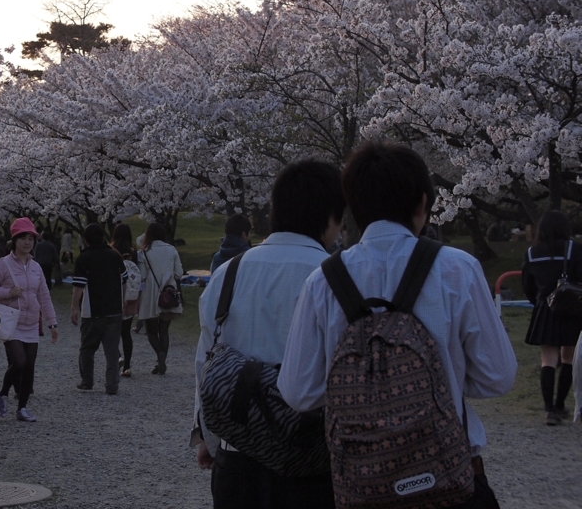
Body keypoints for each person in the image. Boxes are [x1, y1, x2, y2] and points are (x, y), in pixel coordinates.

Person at [278, 141, 517, 509]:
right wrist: (441, 375)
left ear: (353, 207)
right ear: (423, 202)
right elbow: (497, 376)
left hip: (365, 485)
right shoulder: (458, 268)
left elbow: (299, 392)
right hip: (448, 481)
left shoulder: (323, 282)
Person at [194, 160, 345, 508]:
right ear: (331, 216)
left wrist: (207, 436)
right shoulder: (337, 278)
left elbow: (206, 362)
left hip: (238, 460)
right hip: (314, 464)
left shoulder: (227, 274)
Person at [0, 217, 59, 422]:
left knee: (30, 366)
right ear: (14, 240)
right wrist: (8, 292)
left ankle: (22, 408)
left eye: (31, 238)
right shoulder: (2, 265)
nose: (27, 242)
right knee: (19, 362)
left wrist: (52, 322)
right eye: (22, 238)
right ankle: (4, 392)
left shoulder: (36, 267)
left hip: (31, 322)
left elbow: (44, 295)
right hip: (11, 322)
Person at [522, 209, 582, 424]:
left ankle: (549, 410)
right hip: (571, 309)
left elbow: (527, 285)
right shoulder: (574, 249)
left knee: (548, 359)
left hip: (545, 309)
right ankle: (560, 403)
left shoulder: (532, 252)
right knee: (568, 357)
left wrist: (538, 302)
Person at [71, 223, 127, 395]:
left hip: (92, 311)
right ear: (103, 237)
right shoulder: (114, 255)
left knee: (87, 348)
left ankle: (87, 381)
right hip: (114, 309)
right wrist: (122, 301)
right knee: (111, 350)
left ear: (86, 240)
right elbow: (124, 280)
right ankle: (112, 384)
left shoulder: (84, 258)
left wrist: (74, 307)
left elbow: (79, 286)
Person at [137, 222, 183, 375]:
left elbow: (142, 276)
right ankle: (161, 361)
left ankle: (160, 355)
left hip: (151, 293)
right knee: (164, 330)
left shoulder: (144, 253)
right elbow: (179, 273)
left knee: (151, 331)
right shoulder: (172, 249)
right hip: (168, 292)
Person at [111, 222, 141, 377]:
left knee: (111, 331)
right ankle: (127, 367)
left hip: (115, 295)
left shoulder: (111, 250)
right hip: (131, 296)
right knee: (126, 333)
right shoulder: (134, 252)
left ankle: (118, 357)